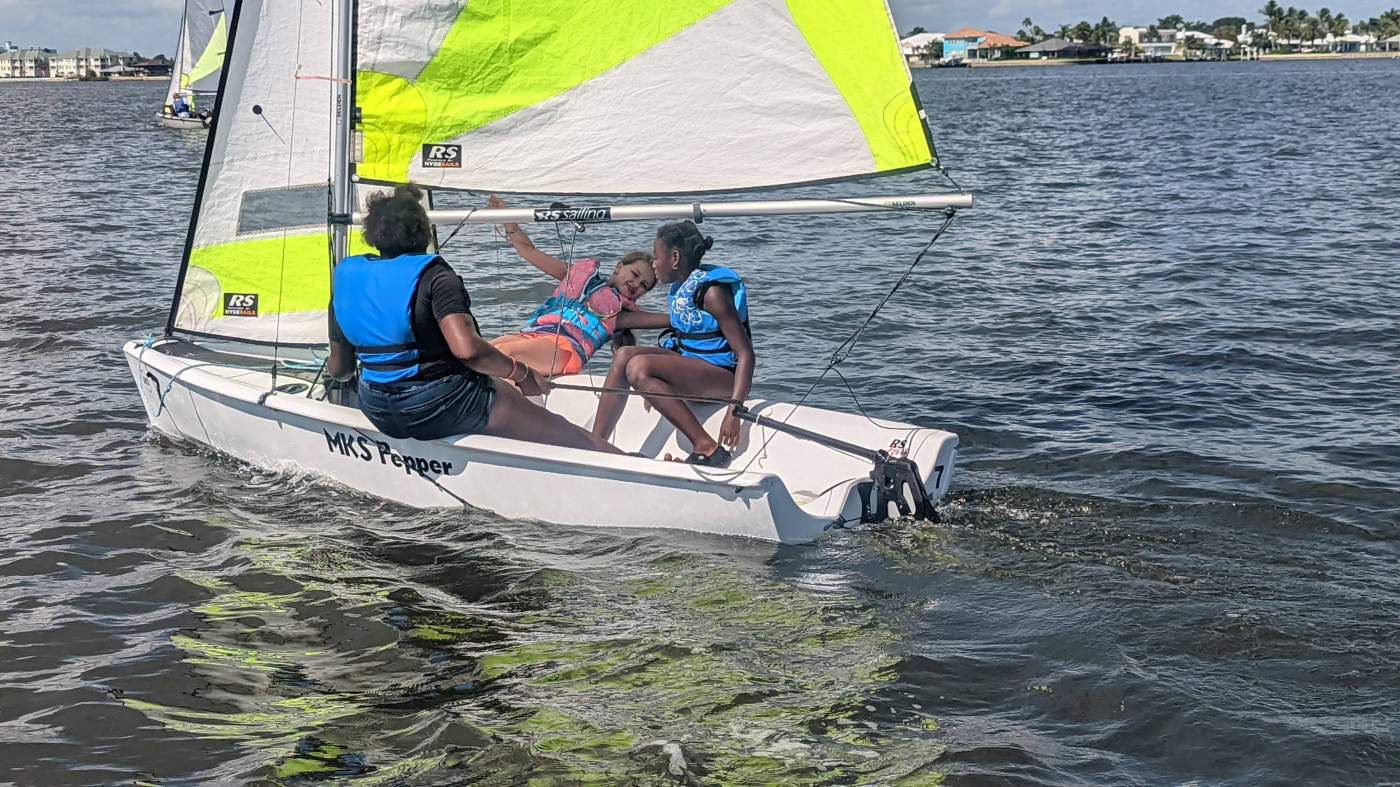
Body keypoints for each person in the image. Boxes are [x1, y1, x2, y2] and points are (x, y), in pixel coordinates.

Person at [325, 185, 621, 455]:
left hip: (376, 408)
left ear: (373, 235)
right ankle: (625, 460)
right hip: (438, 403)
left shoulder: (346, 279)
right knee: (556, 428)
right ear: (423, 230)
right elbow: (468, 350)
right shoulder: (436, 277)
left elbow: (340, 369)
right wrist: (523, 374)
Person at [590, 220, 755, 467]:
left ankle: (707, 447)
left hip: (721, 376)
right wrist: (657, 383)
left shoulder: (711, 294)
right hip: (693, 366)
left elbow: (745, 354)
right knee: (624, 354)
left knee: (638, 368)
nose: (654, 264)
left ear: (675, 258)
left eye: (657, 256)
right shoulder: (681, 287)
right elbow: (685, 338)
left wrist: (734, 410)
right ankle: (595, 444)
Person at [486, 196, 666, 377]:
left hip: (565, 348)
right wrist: (506, 217)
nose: (636, 284)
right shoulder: (578, 278)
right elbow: (529, 251)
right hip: (533, 335)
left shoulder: (623, 316)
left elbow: (674, 319)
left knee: (502, 355)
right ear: (619, 267)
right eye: (635, 275)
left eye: (644, 285)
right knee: (478, 353)